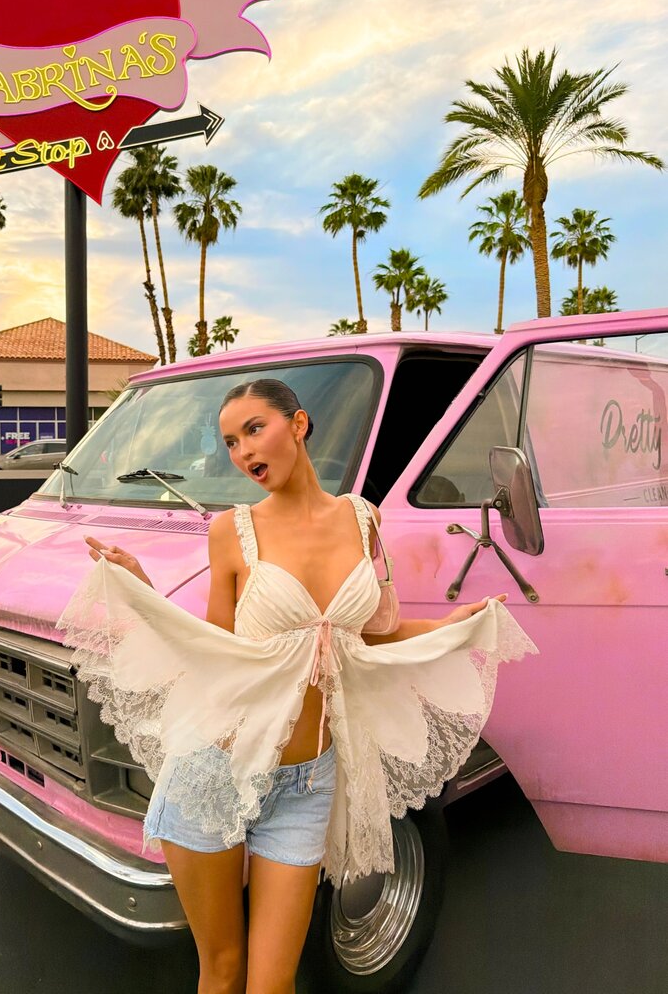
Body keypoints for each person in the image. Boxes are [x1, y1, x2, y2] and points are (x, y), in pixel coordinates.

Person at [58, 378, 535, 994]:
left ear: (299, 424)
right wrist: (143, 592)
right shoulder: (231, 532)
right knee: (222, 972)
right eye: (231, 442)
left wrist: (447, 625)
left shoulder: (363, 520)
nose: (243, 452)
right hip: (216, 768)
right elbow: (215, 649)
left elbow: (366, 635)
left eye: (254, 429)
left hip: (308, 783)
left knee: (274, 984)